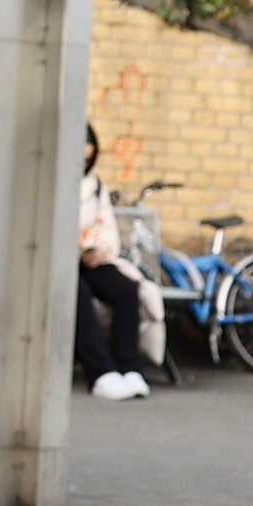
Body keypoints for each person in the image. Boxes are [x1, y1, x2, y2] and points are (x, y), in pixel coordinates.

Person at [78, 126, 155, 400]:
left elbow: (107, 226)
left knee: (126, 289)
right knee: (78, 294)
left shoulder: (95, 185)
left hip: (93, 257)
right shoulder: (50, 180)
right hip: (63, 260)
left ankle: (129, 368)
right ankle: (101, 373)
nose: (84, 163)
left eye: (88, 159)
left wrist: (99, 251)